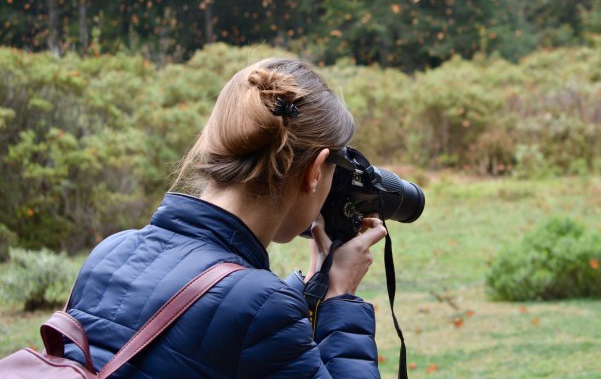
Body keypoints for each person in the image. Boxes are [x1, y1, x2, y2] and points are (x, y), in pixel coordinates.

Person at [64, 57, 387, 378]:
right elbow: (244, 312)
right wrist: (340, 297)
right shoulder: (263, 308)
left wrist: (312, 285)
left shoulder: (110, 254)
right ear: (315, 171)